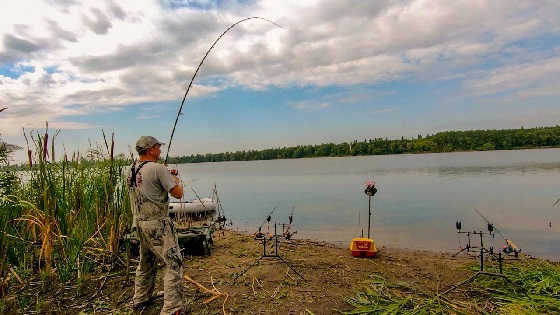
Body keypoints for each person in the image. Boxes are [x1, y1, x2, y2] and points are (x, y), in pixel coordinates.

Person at [128, 136, 187, 315]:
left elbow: (148, 183)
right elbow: (178, 194)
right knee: (173, 263)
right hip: (158, 225)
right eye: (157, 147)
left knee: (146, 262)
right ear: (150, 149)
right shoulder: (158, 169)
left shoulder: (131, 169)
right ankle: (172, 308)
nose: (160, 150)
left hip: (139, 224)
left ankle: (140, 298)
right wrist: (175, 180)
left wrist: (165, 175)